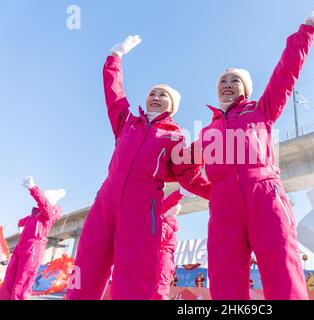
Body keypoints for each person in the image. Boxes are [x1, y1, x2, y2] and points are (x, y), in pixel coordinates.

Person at [189, 6, 314, 300]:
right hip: (223, 205)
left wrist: (307, 29)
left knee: (281, 267)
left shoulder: (262, 110)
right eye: (223, 81)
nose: (227, 84)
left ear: (245, 88)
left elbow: (286, 73)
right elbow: (182, 166)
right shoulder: (207, 133)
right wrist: (211, 192)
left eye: (234, 80)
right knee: (224, 275)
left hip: (265, 194)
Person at [66, 35, 210, 300]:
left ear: (173, 106)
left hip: (143, 208)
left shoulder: (175, 136)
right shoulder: (127, 123)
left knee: (132, 272)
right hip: (106, 200)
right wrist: (114, 58)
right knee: (87, 263)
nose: (155, 97)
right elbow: (114, 95)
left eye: (162, 95)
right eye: (152, 93)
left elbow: (188, 175)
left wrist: (219, 192)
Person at [0, 176, 65, 300]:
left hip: (33, 249)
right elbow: (23, 221)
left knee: (23, 279)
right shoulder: (36, 214)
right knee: (10, 276)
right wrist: (21, 224)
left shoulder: (49, 213)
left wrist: (33, 188)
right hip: (21, 247)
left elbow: (44, 204)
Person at [153, 188, 194, 300]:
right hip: (167, 259)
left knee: (158, 291)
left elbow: (156, 240)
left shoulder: (164, 225)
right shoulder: (170, 225)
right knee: (162, 287)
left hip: (161, 258)